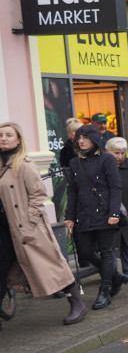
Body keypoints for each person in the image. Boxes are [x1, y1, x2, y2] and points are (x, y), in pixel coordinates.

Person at [0, 122, 86, 327]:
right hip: (5, 228)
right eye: (0, 135)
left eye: (8, 135)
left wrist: (28, 222)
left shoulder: (24, 164)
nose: (3, 138)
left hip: (26, 228)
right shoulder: (2, 165)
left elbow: (39, 196)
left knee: (52, 267)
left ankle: (77, 304)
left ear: (18, 139)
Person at [65, 124, 123, 310]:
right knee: (85, 251)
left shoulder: (107, 159)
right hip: (83, 214)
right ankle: (115, 276)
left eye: (85, 138)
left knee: (106, 252)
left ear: (94, 139)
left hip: (104, 212)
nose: (81, 141)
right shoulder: (75, 162)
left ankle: (104, 291)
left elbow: (115, 187)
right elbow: (72, 191)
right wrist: (69, 217)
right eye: (79, 138)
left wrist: (114, 213)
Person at [105, 137, 128, 282]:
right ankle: (114, 275)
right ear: (107, 152)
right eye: (116, 153)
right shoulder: (104, 165)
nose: (120, 156)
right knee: (111, 245)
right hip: (110, 212)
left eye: (122, 153)